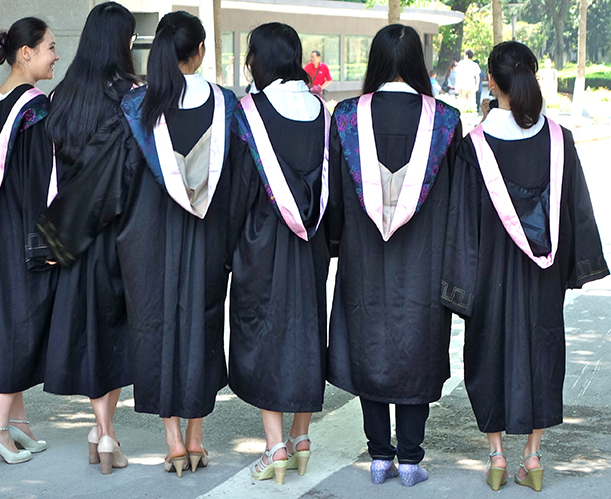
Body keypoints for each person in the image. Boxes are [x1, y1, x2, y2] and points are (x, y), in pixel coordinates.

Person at [39, 10, 237, 478]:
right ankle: (196, 439)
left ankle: (172, 443)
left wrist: (57, 236)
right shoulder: (228, 106)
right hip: (206, 241)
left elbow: (103, 182)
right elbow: (240, 183)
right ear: (201, 51)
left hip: (147, 244)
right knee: (202, 329)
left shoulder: (138, 110)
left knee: (157, 331)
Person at [441, 41, 608, 492]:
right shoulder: (559, 139)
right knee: (542, 351)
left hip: (490, 275)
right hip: (542, 276)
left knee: (488, 352)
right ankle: (532, 458)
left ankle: (496, 455)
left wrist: (459, 285)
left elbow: (461, 223)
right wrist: (572, 266)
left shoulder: (473, 147)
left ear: (491, 81)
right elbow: (576, 211)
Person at [328, 24, 462, 487]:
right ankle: (410, 459)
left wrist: (334, 244)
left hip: (363, 257)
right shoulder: (444, 120)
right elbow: (455, 200)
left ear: (376, 62)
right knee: (415, 348)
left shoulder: (346, 117)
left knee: (369, 346)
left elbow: (337, 198)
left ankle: (379, 456)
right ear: (416, 65)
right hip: (422, 262)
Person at [228, 22, 330, 486]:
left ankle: (274, 448)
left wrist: (228, 246)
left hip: (261, 242)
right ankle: (302, 437)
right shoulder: (322, 111)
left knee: (264, 332)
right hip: (311, 243)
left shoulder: (250, 112)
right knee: (307, 329)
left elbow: (239, 187)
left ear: (260, 58)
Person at [39, 1, 138, 475]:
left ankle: (101, 430)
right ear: (124, 42)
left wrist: (57, 235)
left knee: (90, 330)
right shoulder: (129, 96)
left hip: (70, 231)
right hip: (116, 231)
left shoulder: (62, 95)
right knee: (112, 332)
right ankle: (105, 431)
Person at [0, 16, 59, 465]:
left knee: (8, 318)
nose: (55, 56)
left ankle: (18, 423)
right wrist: (54, 243)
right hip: (26, 230)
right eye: (49, 48)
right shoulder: (35, 106)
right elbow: (43, 181)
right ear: (27, 52)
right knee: (20, 325)